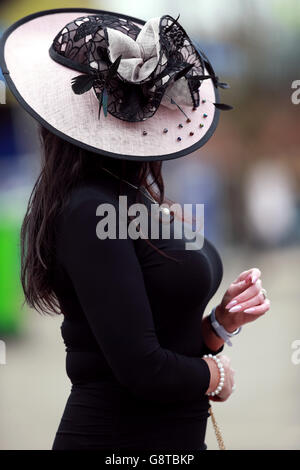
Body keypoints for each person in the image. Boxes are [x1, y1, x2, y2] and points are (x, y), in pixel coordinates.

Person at [0, 8, 270, 450]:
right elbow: (140, 368)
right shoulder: (88, 209)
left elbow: (155, 332)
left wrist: (218, 327)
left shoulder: (125, 198)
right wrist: (214, 375)